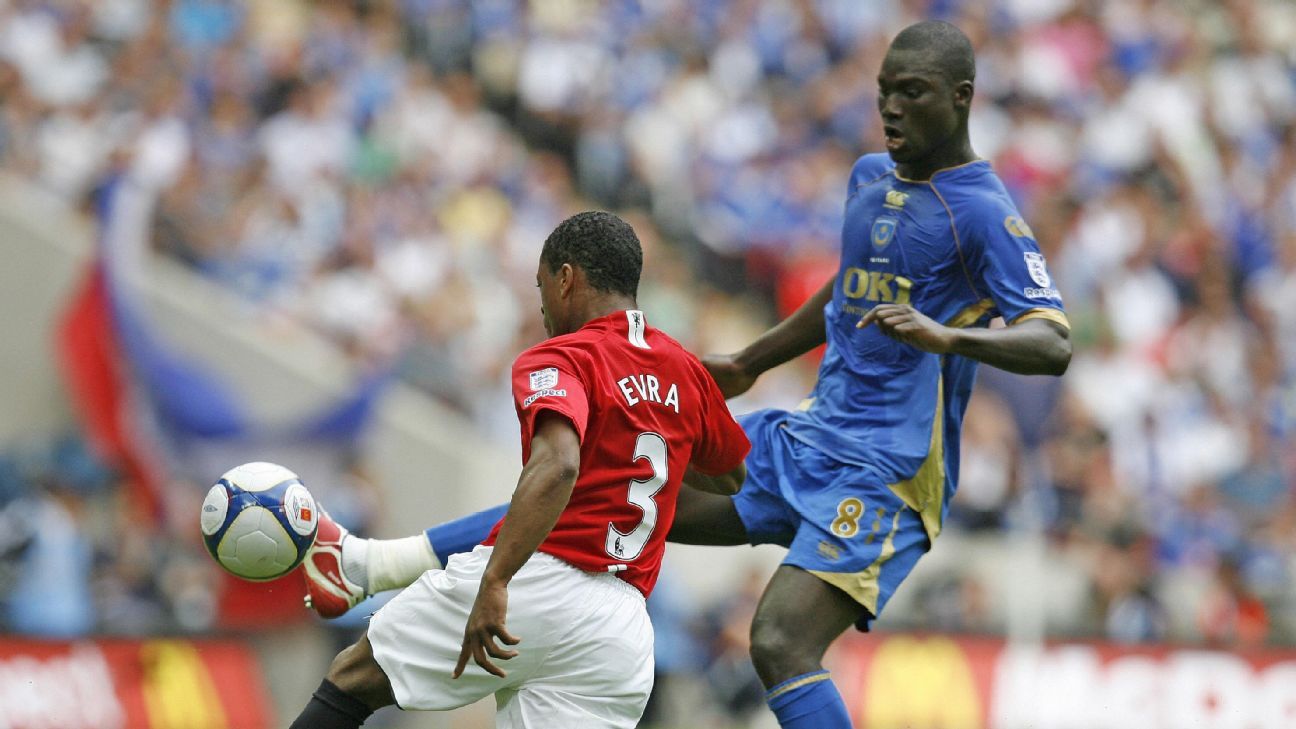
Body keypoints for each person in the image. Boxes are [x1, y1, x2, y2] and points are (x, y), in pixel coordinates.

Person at [304, 20, 1071, 729]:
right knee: (593, 492)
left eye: (913, 94)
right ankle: (374, 562)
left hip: (888, 476)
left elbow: (1051, 340)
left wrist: (946, 336)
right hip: (806, 434)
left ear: (962, 99)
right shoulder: (872, 177)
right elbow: (852, 285)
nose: (891, 111)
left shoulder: (983, 213)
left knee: (777, 642)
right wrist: (750, 360)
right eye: (883, 94)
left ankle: (378, 564)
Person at [290, 210, 750, 729]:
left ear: (566, 277)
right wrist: (664, 430)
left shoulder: (561, 357)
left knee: (354, 677)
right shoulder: (685, 370)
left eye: (541, 286)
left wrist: (496, 580)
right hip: (620, 628)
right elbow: (733, 476)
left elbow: (558, 465)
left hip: (542, 578)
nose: (542, 304)